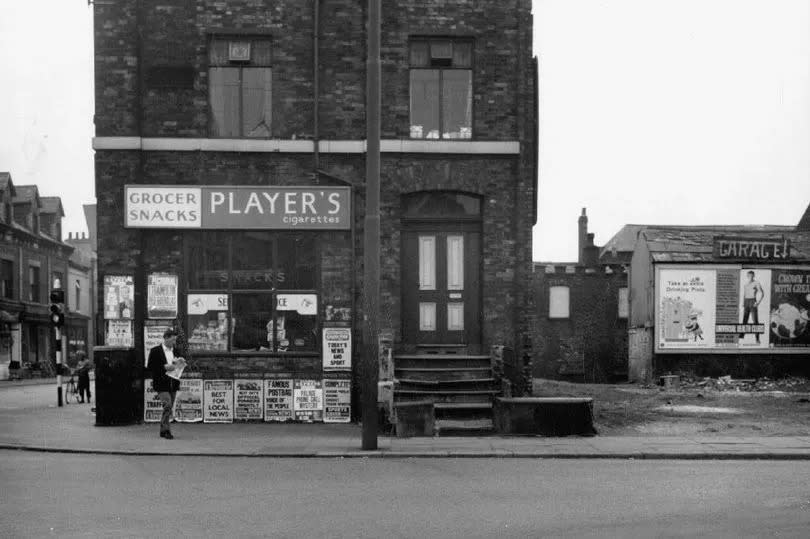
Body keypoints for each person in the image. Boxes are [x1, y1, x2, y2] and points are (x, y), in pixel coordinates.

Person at [147, 328, 185, 439]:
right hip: (161, 383)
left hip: (173, 382)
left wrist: (180, 363)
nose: (174, 342)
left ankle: (163, 430)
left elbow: (178, 366)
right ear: (166, 338)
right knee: (167, 404)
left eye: (175, 340)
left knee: (169, 407)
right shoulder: (155, 351)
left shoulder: (176, 351)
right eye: (173, 340)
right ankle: (166, 430)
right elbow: (150, 366)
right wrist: (164, 367)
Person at [740, 270, 765, 343]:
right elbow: (744, 294)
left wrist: (758, 302)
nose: (750, 277)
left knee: (755, 321)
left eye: (752, 276)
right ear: (747, 276)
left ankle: (757, 339)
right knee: (744, 320)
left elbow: (762, 293)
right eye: (749, 276)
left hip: (753, 301)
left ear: (754, 276)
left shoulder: (756, 283)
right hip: (746, 302)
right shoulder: (745, 284)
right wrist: (743, 303)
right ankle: (741, 336)